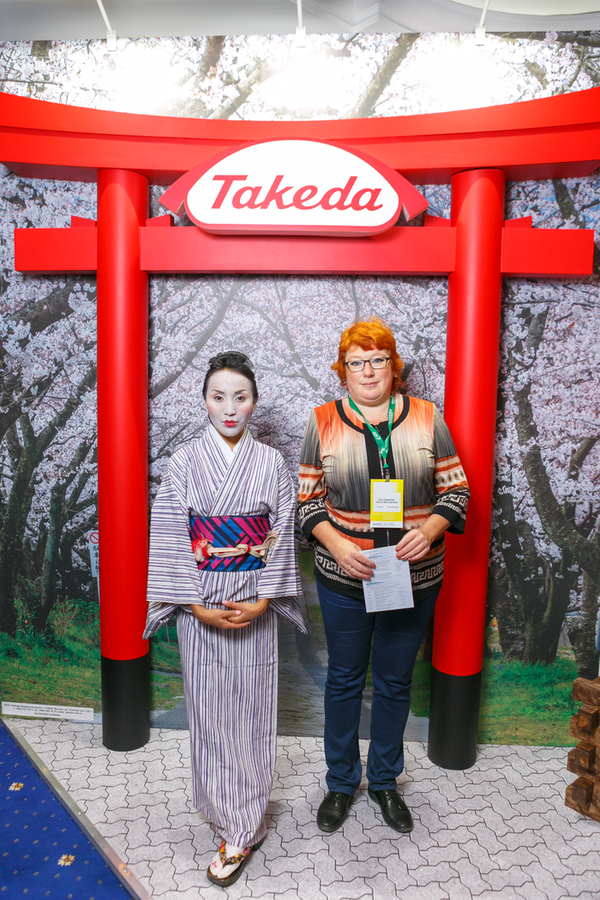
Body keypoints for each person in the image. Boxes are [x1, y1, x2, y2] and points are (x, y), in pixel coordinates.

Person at [298, 319, 469, 835]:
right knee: (344, 680)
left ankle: (385, 782)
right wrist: (338, 544)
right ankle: (340, 782)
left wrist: (431, 529)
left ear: (394, 367)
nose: (368, 371)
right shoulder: (322, 421)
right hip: (344, 578)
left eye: (378, 360)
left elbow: (456, 490)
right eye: (357, 362)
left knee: (395, 682)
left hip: (414, 577)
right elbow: (307, 502)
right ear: (343, 371)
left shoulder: (427, 417)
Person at [143, 351, 304, 888]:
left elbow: (279, 533)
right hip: (201, 600)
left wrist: (265, 598)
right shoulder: (185, 461)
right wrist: (192, 604)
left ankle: (243, 826)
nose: (230, 408)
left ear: (255, 402)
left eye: (241, 397)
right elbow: (170, 533)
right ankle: (220, 806)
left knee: (252, 716)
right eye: (218, 397)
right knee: (209, 713)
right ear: (204, 401)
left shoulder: (271, 463)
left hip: (253, 599)